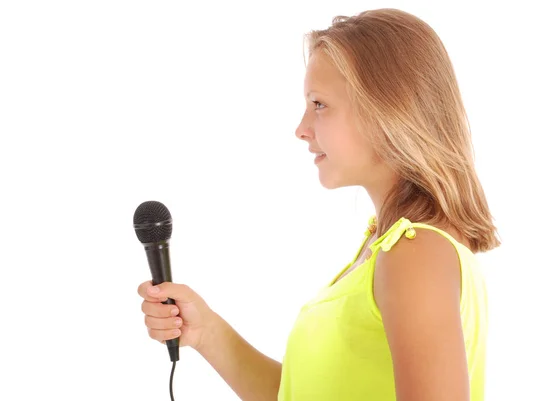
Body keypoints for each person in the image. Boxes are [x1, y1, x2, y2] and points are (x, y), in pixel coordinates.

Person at [138, 8, 500, 401]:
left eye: (319, 104)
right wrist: (206, 330)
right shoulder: (388, 249)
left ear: (387, 111)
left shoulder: (415, 253)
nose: (301, 127)